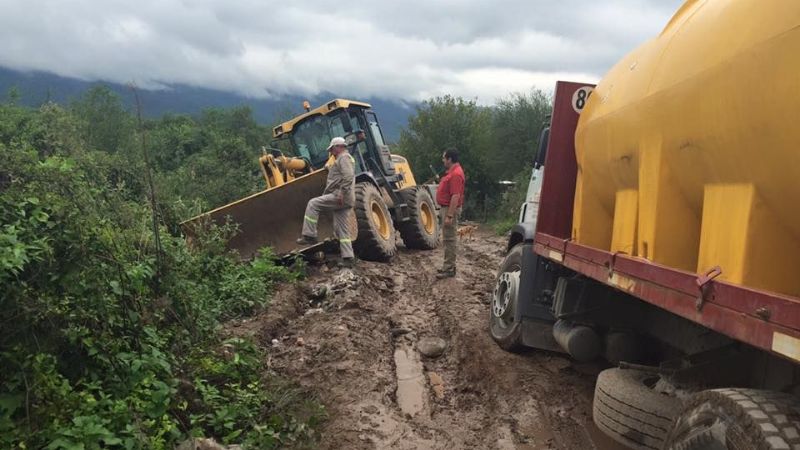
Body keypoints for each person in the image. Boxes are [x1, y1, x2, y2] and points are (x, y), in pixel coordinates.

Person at [296, 137, 357, 268]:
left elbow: (348, 176)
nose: (331, 152)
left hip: (341, 196)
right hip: (346, 198)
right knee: (342, 229)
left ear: (339, 147)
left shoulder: (344, 158)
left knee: (313, 204)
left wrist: (341, 191)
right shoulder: (342, 159)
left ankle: (309, 235)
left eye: (332, 149)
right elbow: (341, 174)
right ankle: (348, 258)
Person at [436, 148, 465, 279]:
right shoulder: (452, 173)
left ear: (449, 159)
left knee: (449, 239)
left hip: (449, 209)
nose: (443, 160)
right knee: (447, 239)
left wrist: (449, 215)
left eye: (444, 158)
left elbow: (455, 196)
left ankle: (449, 268)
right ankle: (448, 266)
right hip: (446, 208)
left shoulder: (456, 174)